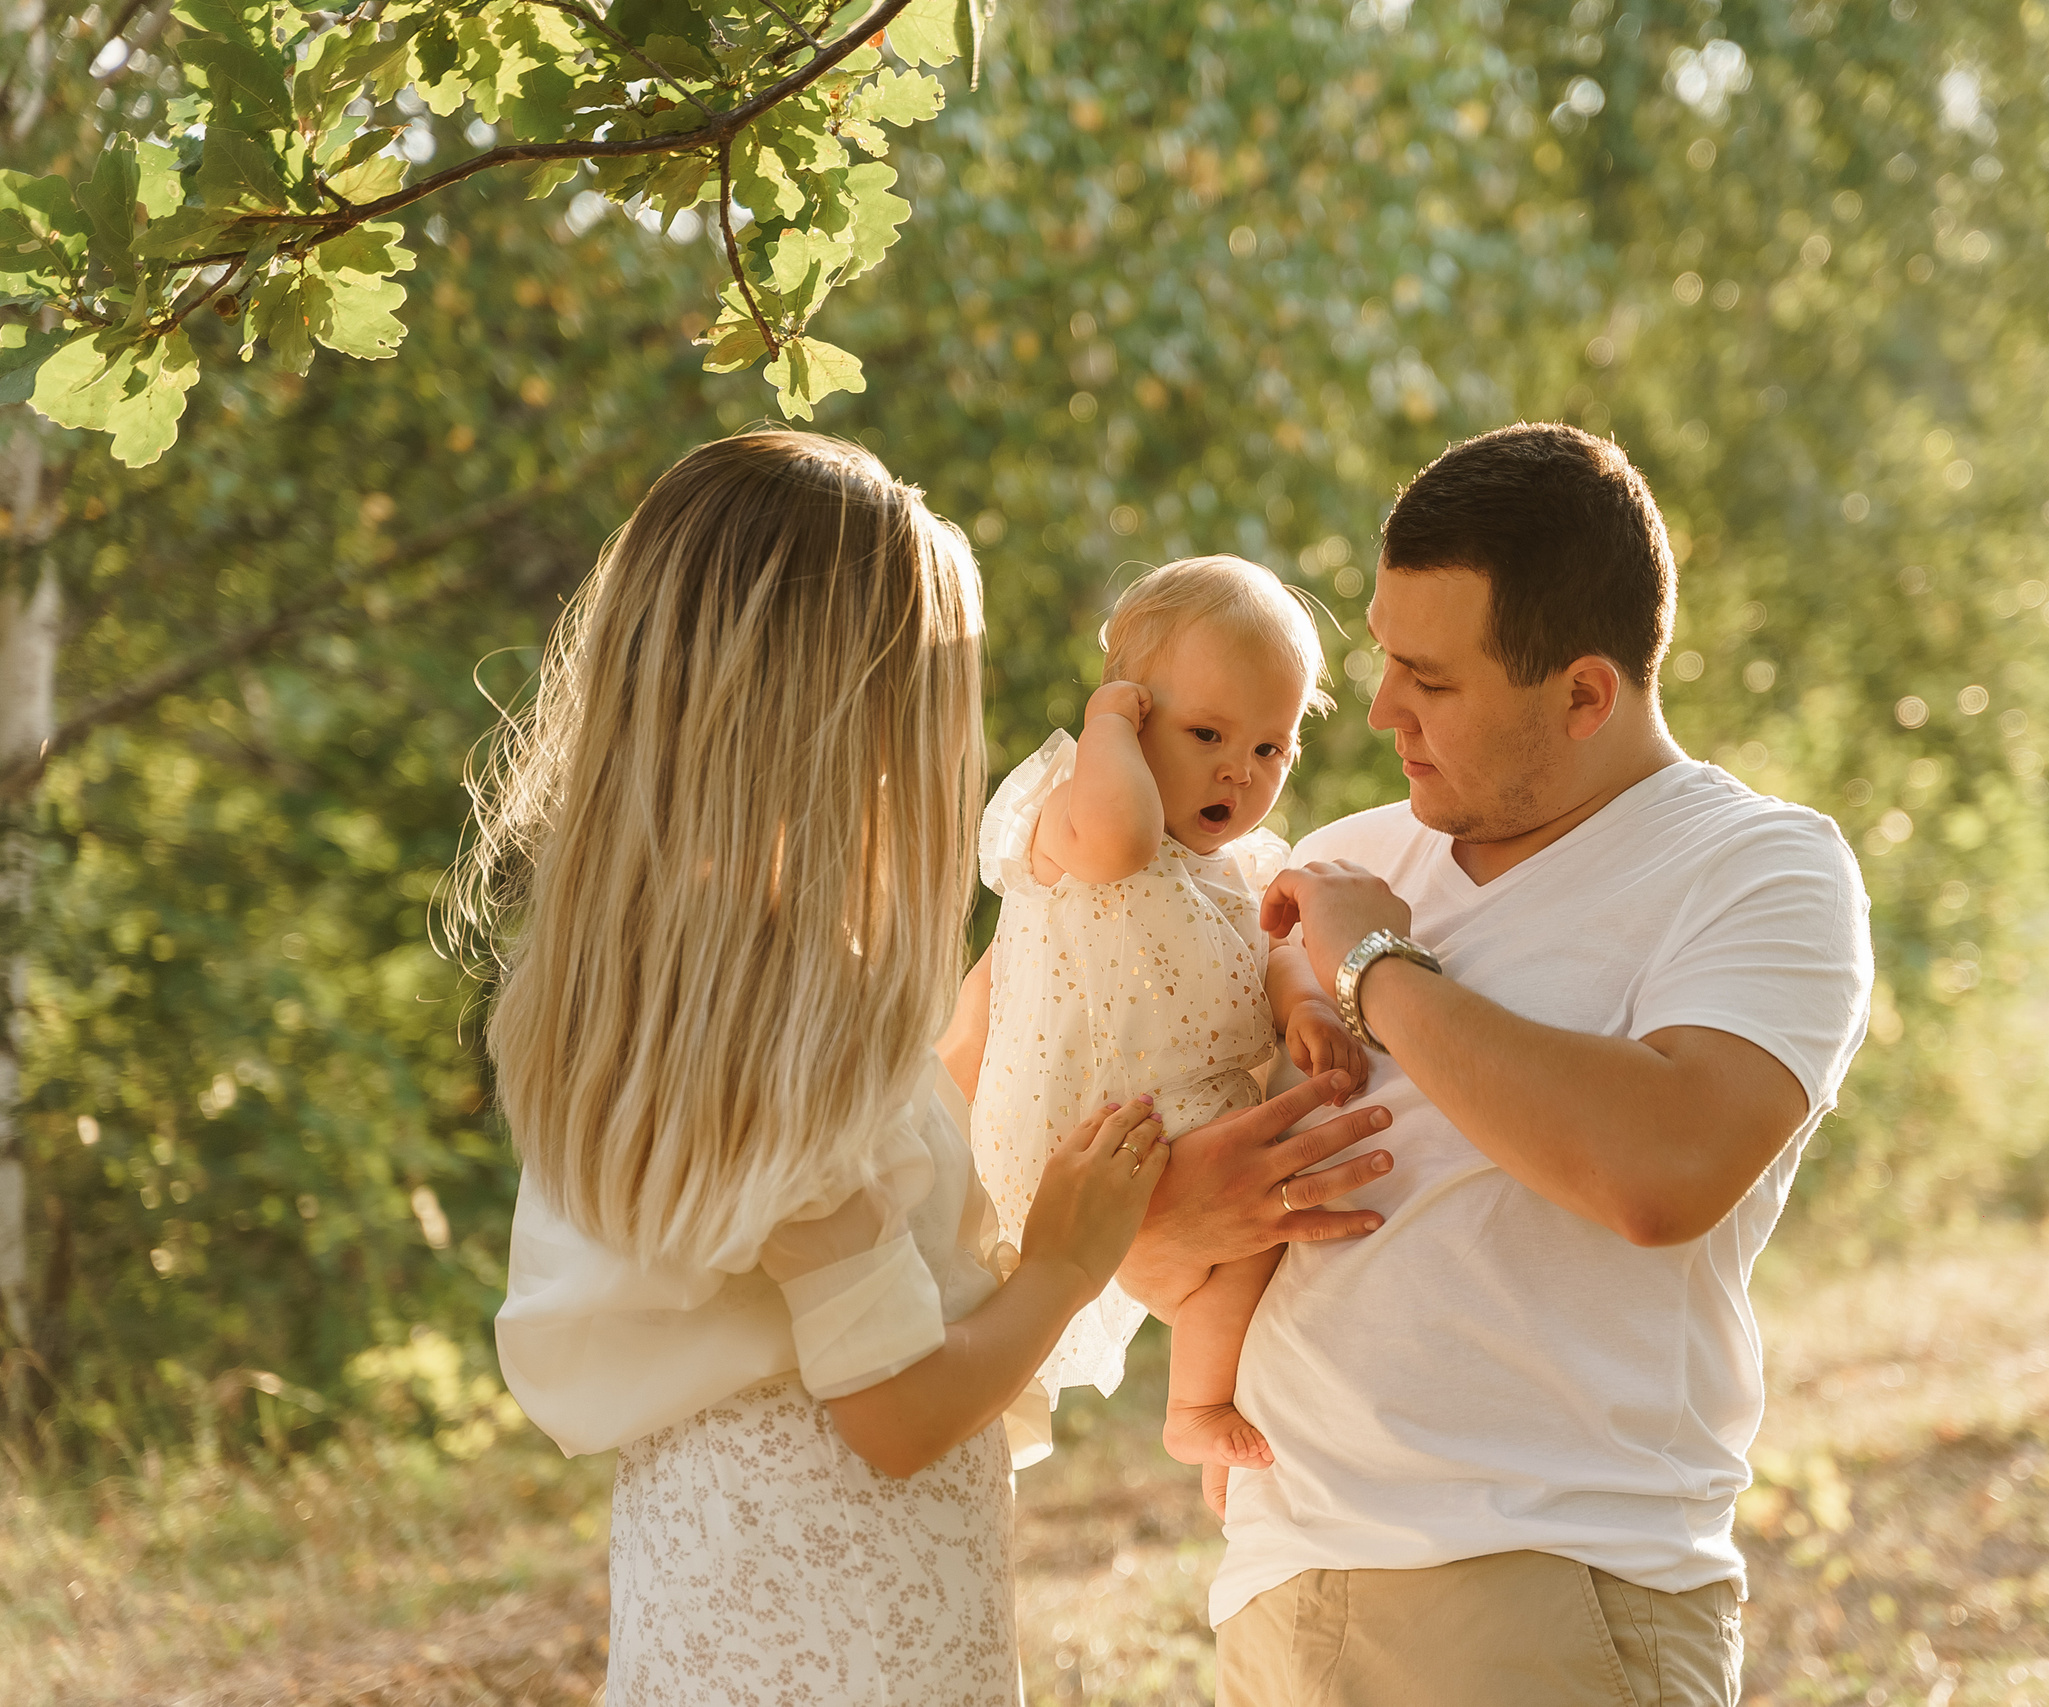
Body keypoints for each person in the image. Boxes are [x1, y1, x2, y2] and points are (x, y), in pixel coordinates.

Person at [473, 431, 1397, 1706]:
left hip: (762, 1611)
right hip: (839, 1634)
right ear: (843, 715)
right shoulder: (779, 1024)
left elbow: (903, 1227)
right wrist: (1076, 1261)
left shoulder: (702, 978)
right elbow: (899, 1413)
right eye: (935, 691)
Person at [1191, 423, 1877, 1707]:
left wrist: (1380, 975)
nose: (1384, 707)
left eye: (1431, 682)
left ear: (1583, 694)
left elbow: (1664, 1167)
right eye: (1384, 659)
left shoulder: (1758, 869)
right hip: (1279, 1589)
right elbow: (1174, 1224)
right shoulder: (1347, 860)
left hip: (1550, 1588)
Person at [941, 556, 1368, 1474]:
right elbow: (1124, 839)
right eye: (1208, 732)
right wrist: (1105, 731)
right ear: (1134, 712)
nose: (1239, 771)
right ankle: (1185, 1401)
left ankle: (1201, 1404)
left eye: (1270, 748)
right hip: (1084, 1144)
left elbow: (1279, 952)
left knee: (1259, 1249)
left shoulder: (1247, 867)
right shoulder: (1070, 812)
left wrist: (1302, 1008)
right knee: (1251, 1242)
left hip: (1187, 1129)